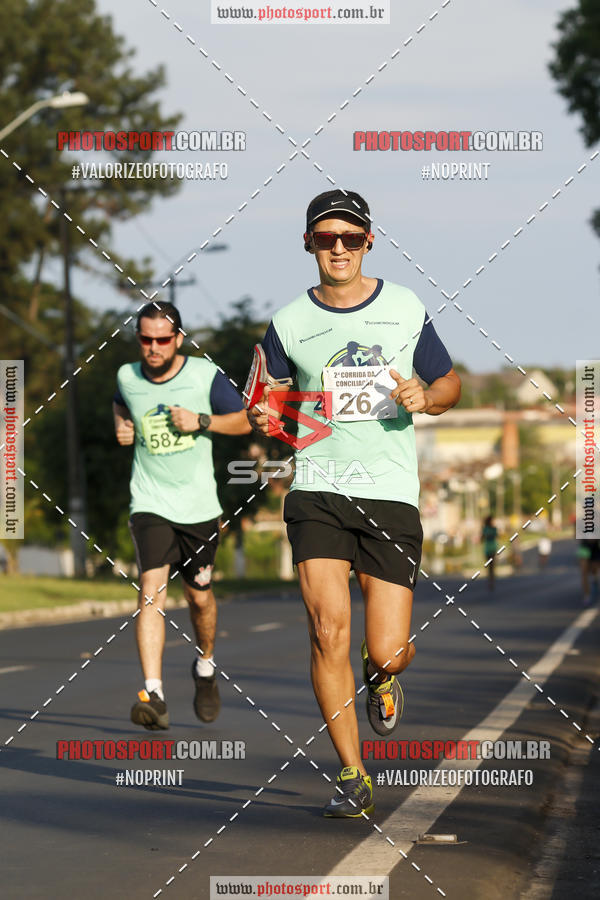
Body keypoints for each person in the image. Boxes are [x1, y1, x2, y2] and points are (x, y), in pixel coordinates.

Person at [247, 189, 461, 817]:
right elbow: (273, 401)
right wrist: (265, 416)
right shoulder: (288, 322)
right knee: (326, 631)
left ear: (369, 241)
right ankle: (351, 772)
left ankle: (383, 673)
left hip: (389, 493)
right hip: (317, 490)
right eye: (325, 238)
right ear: (308, 244)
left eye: (349, 237)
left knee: (388, 648)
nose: (337, 248)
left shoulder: (404, 306)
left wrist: (428, 397)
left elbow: (448, 380)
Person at [113, 301, 251, 730]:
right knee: (150, 590)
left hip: (198, 508)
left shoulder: (204, 375)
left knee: (199, 598)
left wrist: (202, 421)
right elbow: (121, 402)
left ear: (178, 338)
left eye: (162, 339)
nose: (153, 347)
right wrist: (122, 424)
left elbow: (246, 421)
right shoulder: (127, 376)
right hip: (150, 502)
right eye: (145, 339)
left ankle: (205, 665)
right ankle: (153, 694)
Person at [577, 538, 600, 606]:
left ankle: (595, 578)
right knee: (584, 572)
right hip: (585, 547)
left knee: (594, 568)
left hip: (597, 546)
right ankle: (587, 595)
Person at [481, 515, 498, 591]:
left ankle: (491, 580)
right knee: (490, 566)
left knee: (491, 566)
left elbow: (484, 537)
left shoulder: (489, 529)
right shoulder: (489, 529)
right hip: (488, 549)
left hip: (491, 549)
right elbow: (482, 538)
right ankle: (491, 580)